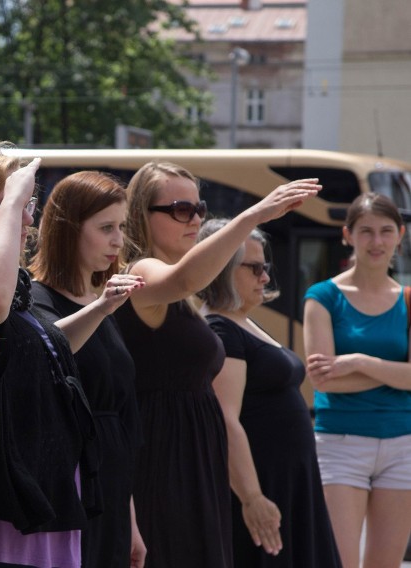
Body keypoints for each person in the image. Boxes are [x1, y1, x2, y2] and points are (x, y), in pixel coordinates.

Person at [111, 161, 320, 568]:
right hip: (163, 455)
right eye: (181, 210)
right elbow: (183, 280)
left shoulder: (180, 290)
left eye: (200, 208)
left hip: (190, 456)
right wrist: (253, 216)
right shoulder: (141, 271)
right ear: (142, 215)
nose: (195, 219)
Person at [0, 146, 140, 568]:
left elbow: (45, 354)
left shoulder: (18, 289)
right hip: (11, 491)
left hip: (68, 484)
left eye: (31, 206)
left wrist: (99, 308)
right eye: (14, 206)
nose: (27, 218)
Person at [198, 219, 341, 567]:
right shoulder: (221, 329)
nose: (265, 277)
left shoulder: (243, 320)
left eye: (267, 267)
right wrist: (252, 497)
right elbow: (225, 419)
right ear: (223, 269)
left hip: (290, 481)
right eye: (255, 268)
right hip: (264, 482)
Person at [27, 170, 147, 568]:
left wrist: (130, 520)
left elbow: (121, 422)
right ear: (68, 229)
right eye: (106, 227)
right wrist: (101, 308)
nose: (118, 240)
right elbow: (49, 349)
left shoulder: (102, 301)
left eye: (122, 227)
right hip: (69, 482)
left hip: (111, 486)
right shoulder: (35, 296)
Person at [303, 192, 411, 568]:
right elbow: (323, 382)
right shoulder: (323, 296)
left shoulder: (409, 300)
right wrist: (395, 375)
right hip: (340, 445)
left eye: (385, 231)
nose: (376, 242)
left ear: (400, 234)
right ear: (348, 235)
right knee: (339, 562)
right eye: (366, 232)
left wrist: (358, 361)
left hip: (402, 445)